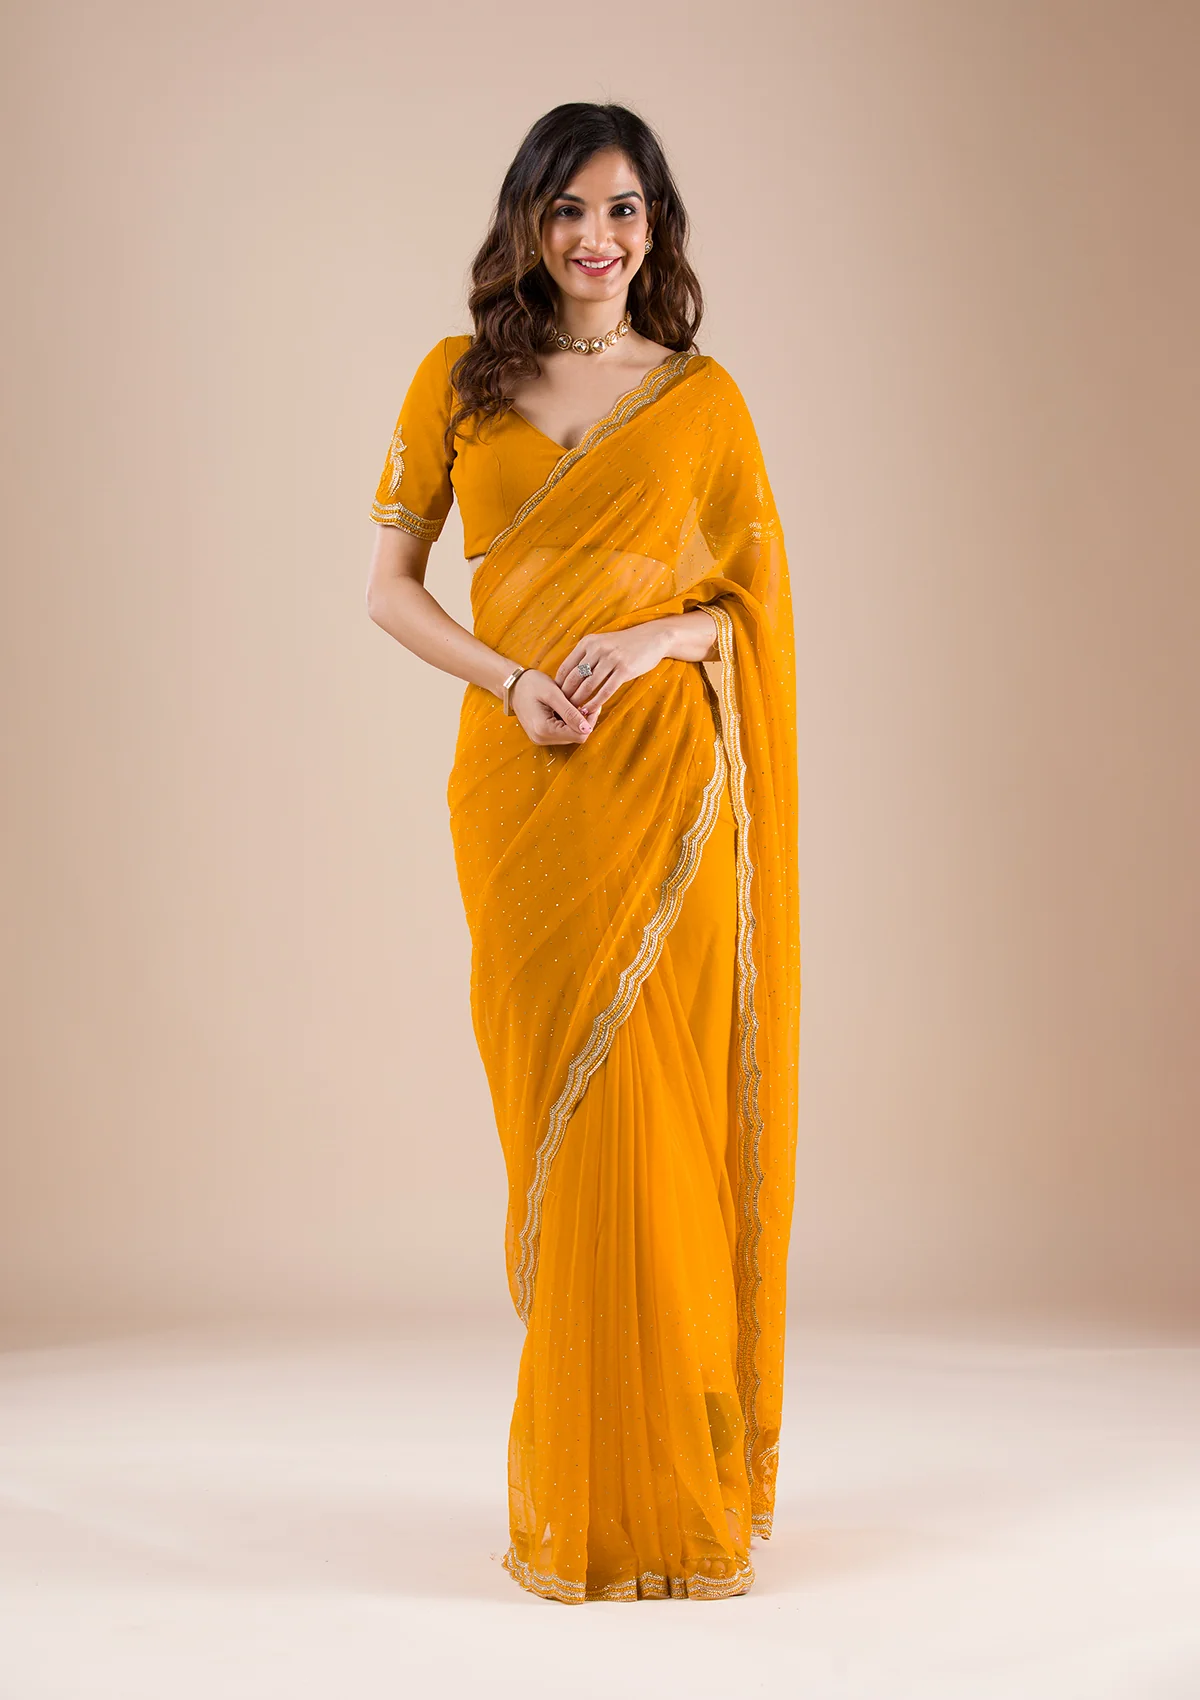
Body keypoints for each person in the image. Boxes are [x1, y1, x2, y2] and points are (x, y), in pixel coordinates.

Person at [365, 101, 800, 1603]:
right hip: (522, 786)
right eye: (568, 210)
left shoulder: (701, 399)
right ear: (527, 224)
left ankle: (669, 1507)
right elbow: (391, 588)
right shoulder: (456, 381)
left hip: (666, 789)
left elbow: (746, 610)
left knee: (655, 1120)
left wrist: (657, 634)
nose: (596, 239)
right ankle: (583, 1489)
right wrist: (508, 680)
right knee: (557, 1116)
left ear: (655, 227)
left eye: (623, 210)